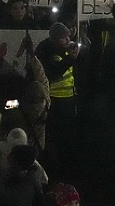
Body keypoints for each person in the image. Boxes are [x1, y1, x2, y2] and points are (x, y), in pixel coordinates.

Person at [35, 22, 79, 178]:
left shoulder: (67, 50)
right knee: (54, 139)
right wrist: (69, 60)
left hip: (68, 101)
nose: (68, 40)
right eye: (63, 38)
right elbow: (52, 73)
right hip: (54, 102)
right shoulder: (46, 51)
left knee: (67, 139)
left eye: (68, 37)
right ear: (55, 39)